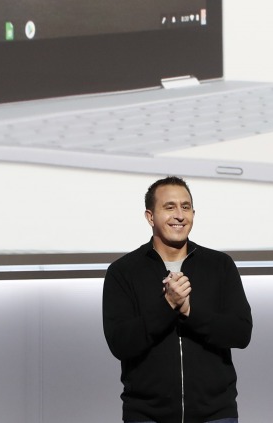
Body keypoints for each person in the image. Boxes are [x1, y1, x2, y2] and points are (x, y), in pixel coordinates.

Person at [102, 177, 252, 423]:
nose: (180, 215)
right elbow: (121, 343)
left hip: (215, 414)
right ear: (150, 217)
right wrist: (167, 306)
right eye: (169, 207)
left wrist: (190, 311)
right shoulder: (123, 271)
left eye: (186, 207)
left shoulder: (219, 265)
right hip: (146, 415)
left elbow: (240, 333)